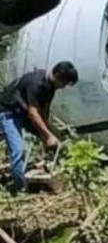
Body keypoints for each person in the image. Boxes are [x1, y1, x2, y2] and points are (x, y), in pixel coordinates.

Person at [0, 61, 79, 192]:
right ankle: (20, 189)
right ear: (58, 75)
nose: (64, 87)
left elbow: (44, 110)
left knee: (50, 139)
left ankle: (48, 167)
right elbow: (33, 112)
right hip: (9, 112)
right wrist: (47, 135)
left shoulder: (51, 87)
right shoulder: (36, 83)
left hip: (23, 112)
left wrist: (46, 135)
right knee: (19, 150)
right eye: (64, 83)